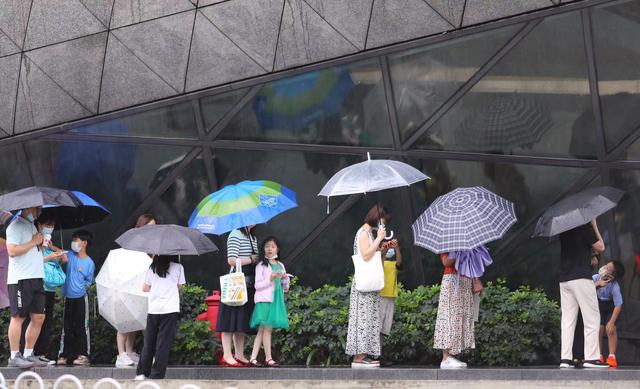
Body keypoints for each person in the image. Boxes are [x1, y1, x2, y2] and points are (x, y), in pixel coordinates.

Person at [5, 206, 57, 368]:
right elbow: (12, 251)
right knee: (18, 317)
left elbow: (33, 251)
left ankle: (28, 354)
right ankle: (14, 356)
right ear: (27, 208)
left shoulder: (33, 226)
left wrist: (42, 244)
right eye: (37, 209)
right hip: (20, 279)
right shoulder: (15, 226)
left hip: (36, 277)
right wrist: (33, 241)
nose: (39, 212)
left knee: (39, 317)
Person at [558, 220, 609, 368]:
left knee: (567, 320)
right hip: (580, 277)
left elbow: (578, 250)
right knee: (592, 318)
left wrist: (590, 256)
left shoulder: (564, 227)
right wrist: (594, 224)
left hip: (565, 279)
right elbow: (601, 246)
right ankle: (591, 358)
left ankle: (565, 359)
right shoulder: (583, 225)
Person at [20, 214, 67, 365]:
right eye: (47, 224)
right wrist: (48, 255)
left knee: (45, 320)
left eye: (52, 224)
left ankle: (40, 352)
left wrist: (53, 250)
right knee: (31, 319)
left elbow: (58, 256)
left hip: (50, 289)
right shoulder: (33, 241)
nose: (50, 227)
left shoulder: (48, 243)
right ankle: (26, 351)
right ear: (39, 225)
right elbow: (30, 260)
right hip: (36, 286)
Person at [346, 204, 388, 368]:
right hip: (364, 283)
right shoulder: (363, 232)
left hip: (369, 283)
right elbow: (364, 255)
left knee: (369, 318)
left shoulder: (369, 233)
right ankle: (358, 356)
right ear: (376, 218)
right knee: (362, 319)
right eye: (382, 221)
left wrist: (381, 247)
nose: (383, 224)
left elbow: (372, 254)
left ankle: (364, 354)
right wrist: (379, 238)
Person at [135, 255, 185, 380]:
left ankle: (142, 373)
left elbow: (145, 288)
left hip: (154, 309)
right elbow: (180, 287)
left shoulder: (152, 267)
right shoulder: (178, 267)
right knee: (163, 343)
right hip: (170, 309)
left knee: (149, 342)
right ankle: (156, 375)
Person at [116, 213, 156, 367]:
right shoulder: (132, 243)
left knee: (136, 321)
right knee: (123, 321)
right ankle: (121, 355)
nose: (152, 230)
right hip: (127, 285)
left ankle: (130, 351)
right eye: (150, 226)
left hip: (142, 287)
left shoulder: (152, 245)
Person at [216, 226, 259, 367]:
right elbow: (232, 260)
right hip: (236, 284)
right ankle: (227, 355)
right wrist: (252, 259)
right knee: (229, 321)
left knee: (241, 322)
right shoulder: (235, 234)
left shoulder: (252, 237)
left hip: (248, 285)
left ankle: (239, 354)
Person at [249, 237, 290, 367]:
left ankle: (253, 358)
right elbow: (257, 286)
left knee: (262, 330)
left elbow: (285, 287)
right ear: (263, 249)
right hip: (265, 300)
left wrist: (285, 279)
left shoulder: (280, 265)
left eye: (272, 246)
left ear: (277, 248)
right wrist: (270, 279)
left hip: (276, 299)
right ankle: (268, 358)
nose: (270, 249)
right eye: (267, 246)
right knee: (267, 329)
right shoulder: (261, 265)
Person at [57, 230, 95, 366]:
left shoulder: (89, 263)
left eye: (76, 240)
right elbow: (59, 252)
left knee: (81, 327)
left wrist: (82, 288)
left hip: (80, 299)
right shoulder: (70, 256)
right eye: (73, 240)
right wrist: (49, 246)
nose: (73, 243)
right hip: (68, 297)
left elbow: (89, 281)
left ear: (84, 243)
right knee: (66, 327)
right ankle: (64, 354)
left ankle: (83, 355)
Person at [434, 251, 475, 369]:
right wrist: (459, 251)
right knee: (449, 315)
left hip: (465, 279)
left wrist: (476, 280)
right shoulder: (449, 240)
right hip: (451, 279)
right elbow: (446, 262)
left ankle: (452, 356)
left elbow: (472, 263)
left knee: (461, 317)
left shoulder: (466, 242)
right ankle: (446, 357)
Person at [593, 260, 625, 367]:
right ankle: (599, 356)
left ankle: (612, 357)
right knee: (599, 328)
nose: (604, 267)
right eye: (606, 265)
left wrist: (611, 322)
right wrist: (598, 284)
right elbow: (585, 288)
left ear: (612, 276)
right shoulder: (596, 277)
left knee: (610, 328)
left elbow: (618, 305)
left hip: (611, 307)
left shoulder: (615, 286)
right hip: (598, 305)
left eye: (608, 268)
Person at [379, 238, 402, 364]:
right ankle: (373, 354)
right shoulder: (378, 261)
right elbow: (379, 266)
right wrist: (383, 251)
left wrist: (396, 248)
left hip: (390, 297)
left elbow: (400, 263)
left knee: (384, 329)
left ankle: (379, 354)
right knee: (377, 327)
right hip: (380, 296)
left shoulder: (393, 264)